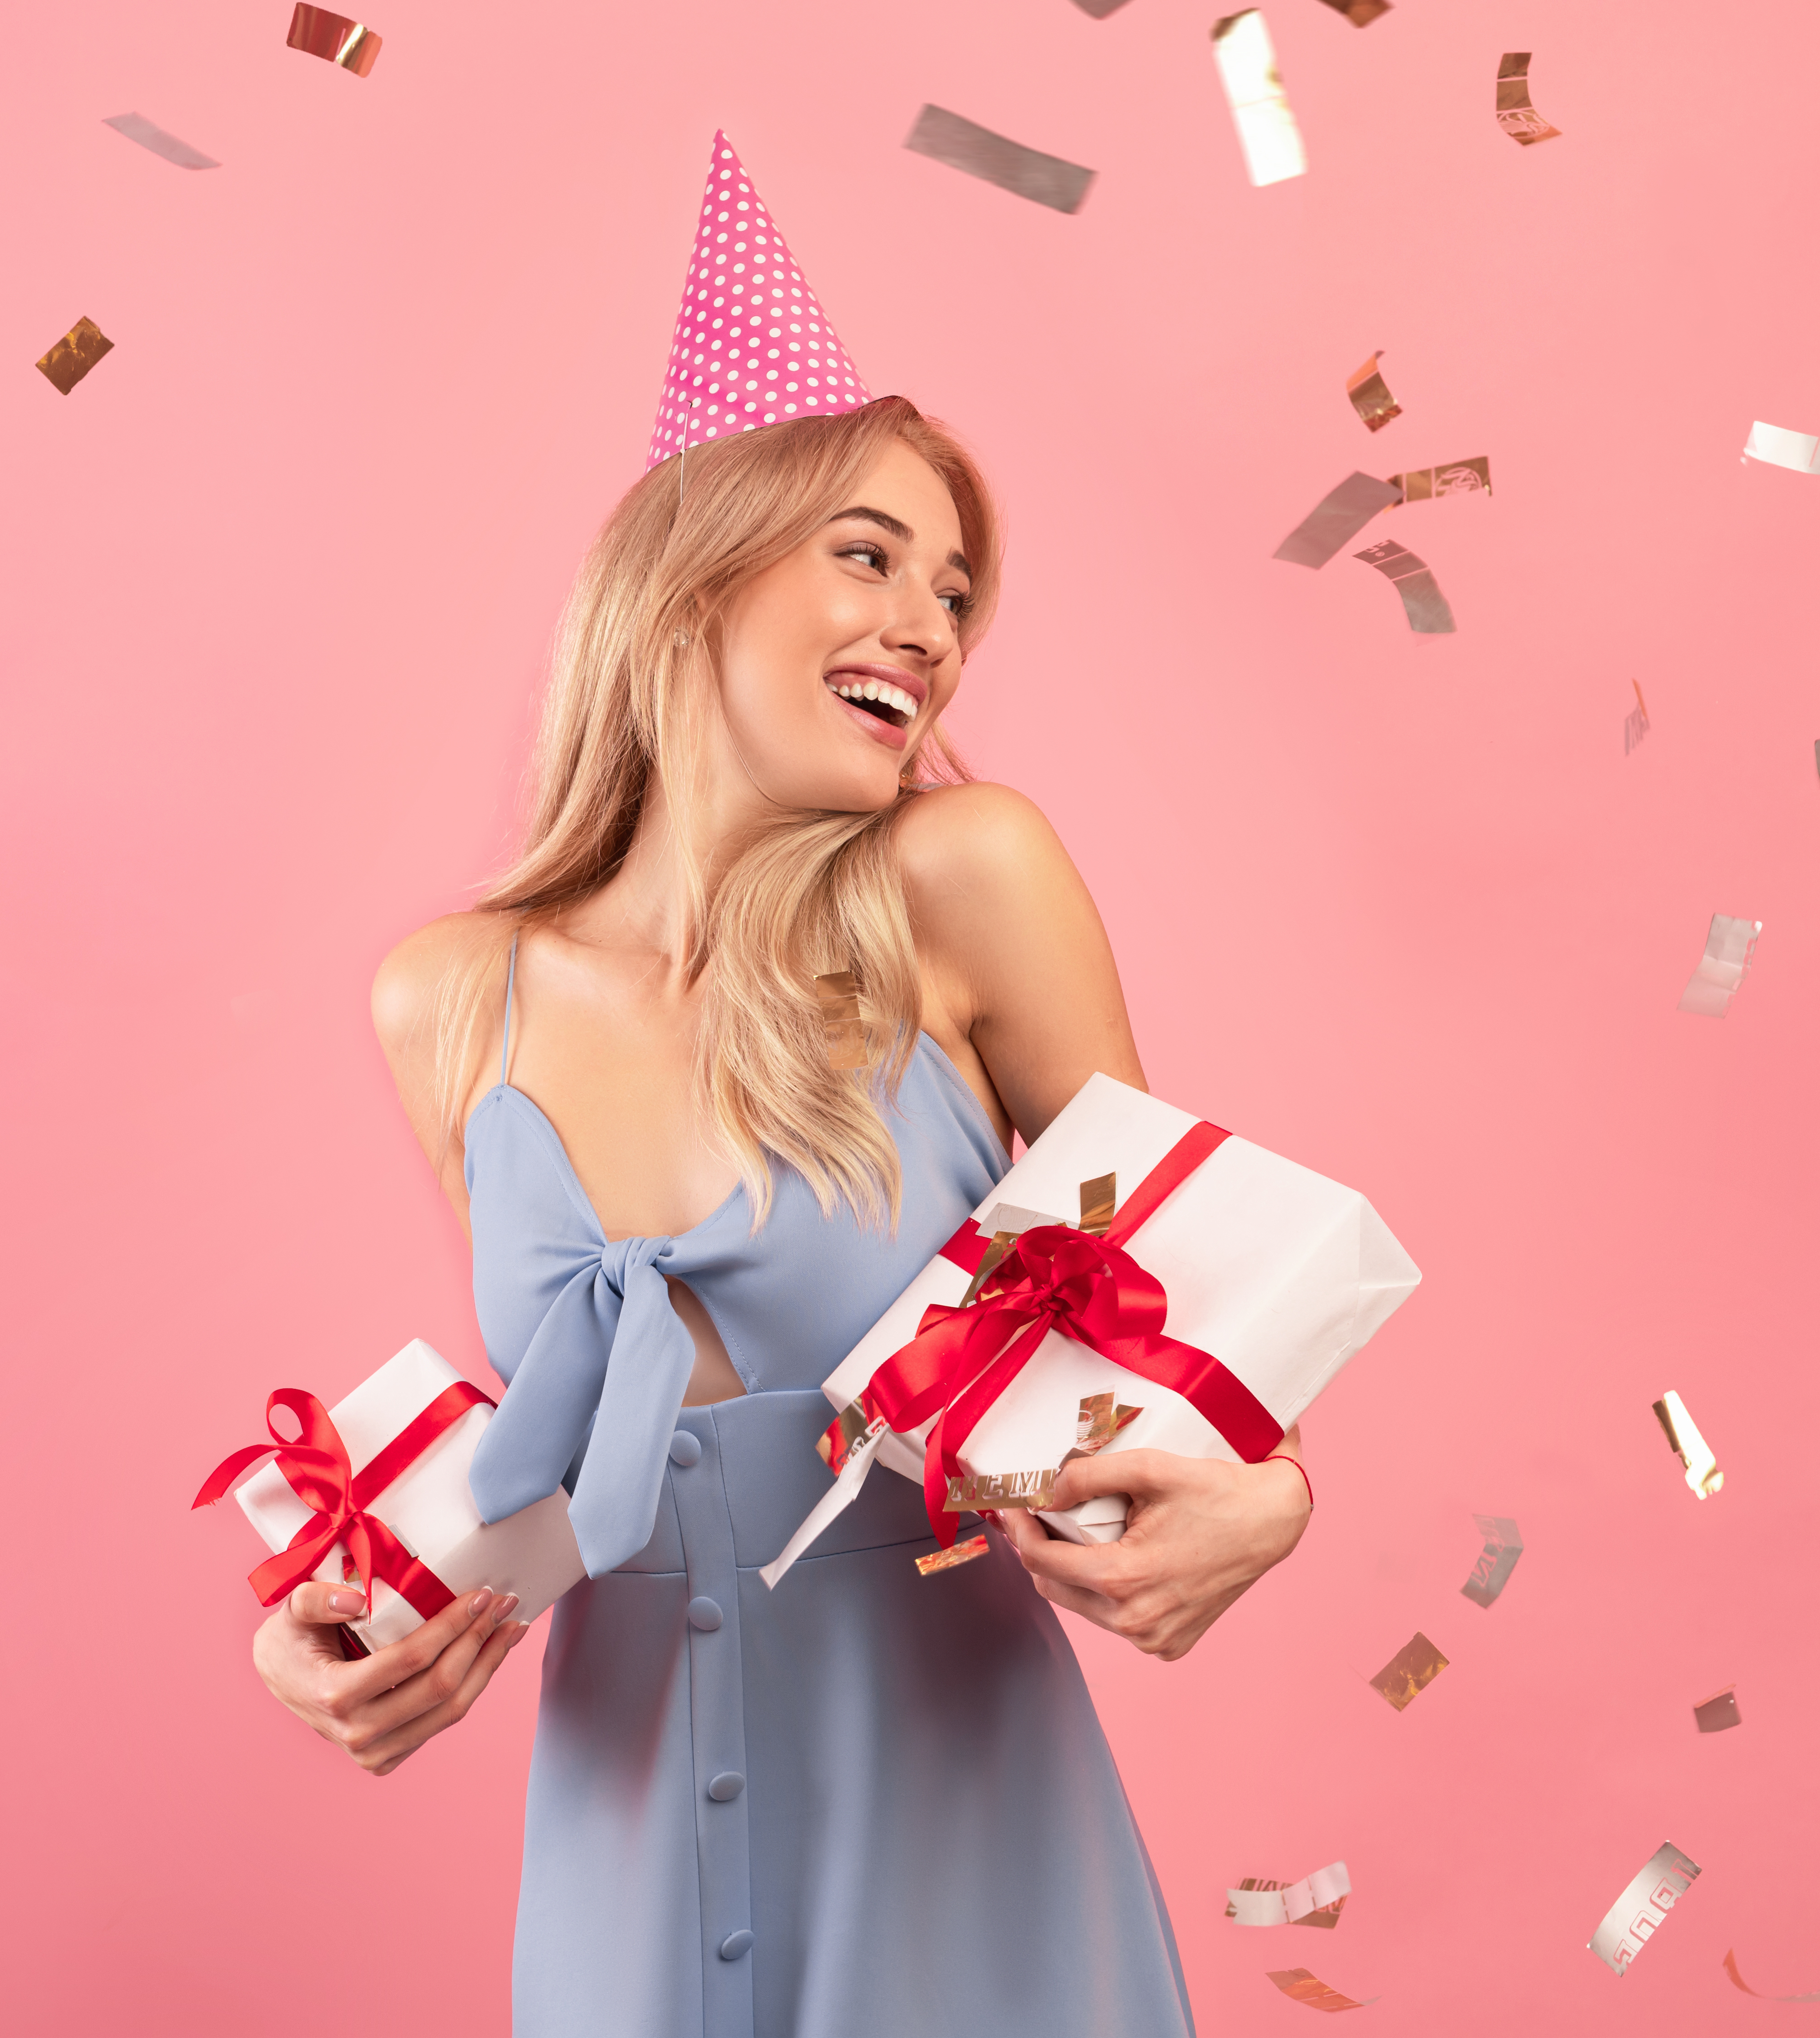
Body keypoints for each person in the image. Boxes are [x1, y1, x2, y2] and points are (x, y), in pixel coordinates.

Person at [248, 135, 1316, 2036]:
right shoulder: (451, 1001)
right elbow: (555, 1455)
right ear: (691, 578)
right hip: (620, 1862)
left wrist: (1277, 1496)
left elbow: (1165, 1340)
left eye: (958, 590)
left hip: (967, 1844)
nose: (931, 621)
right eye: (870, 554)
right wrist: (337, 1622)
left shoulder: (963, 879)